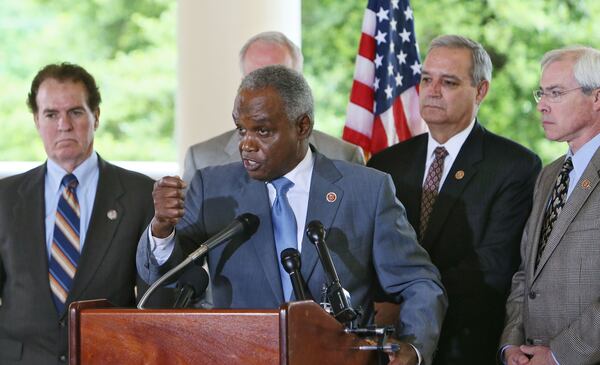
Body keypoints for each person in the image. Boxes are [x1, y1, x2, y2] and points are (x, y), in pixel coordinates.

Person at [137, 65, 447, 365]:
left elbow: (419, 282)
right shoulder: (213, 187)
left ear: (302, 126)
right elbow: (166, 279)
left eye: (263, 131)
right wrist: (162, 229)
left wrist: (414, 348)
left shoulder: (366, 190)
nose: (246, 144)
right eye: (241, 129)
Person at [368, 35, 541, 365]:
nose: (432, 90)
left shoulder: (515, 165)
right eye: (426, 79)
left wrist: (412, 304)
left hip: (464, 343)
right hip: (387, 344)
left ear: (481, 91)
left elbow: (494, 265)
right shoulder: (385, 163)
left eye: (448, 82)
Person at [0, 63, 155, 365]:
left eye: (75, 112)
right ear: (36, 120)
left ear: (96, 116)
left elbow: (154, 301)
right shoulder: (4, 197)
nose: (63, 125)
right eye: (51, 114)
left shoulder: (140, 194)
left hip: (109, 357)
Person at [500, 46, 600, 365]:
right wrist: (511, 343)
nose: (542, 106)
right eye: (541, 93)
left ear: (597, 98)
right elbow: (526, 274)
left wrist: (559, 354)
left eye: (555, 93)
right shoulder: (549, 175)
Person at [182, 31, 364, 184]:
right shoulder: (203, 161)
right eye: (255, 79)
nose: (266, 91)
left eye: (280, 78)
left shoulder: (343, 157)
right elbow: (186, 226)